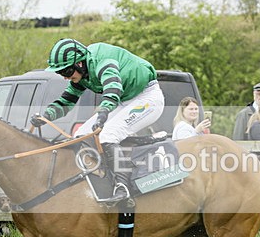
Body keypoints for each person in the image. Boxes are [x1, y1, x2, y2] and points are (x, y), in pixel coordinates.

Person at [32, 39, 164, 205]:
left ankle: (123, 187)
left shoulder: (102, 61)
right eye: (60, 73)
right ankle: (98, 178)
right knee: (80, 135)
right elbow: (68, 100)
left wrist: (103, 113)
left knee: (108, 134)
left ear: (79, 63)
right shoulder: (82, 74)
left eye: (66, 71)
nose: (65, 77)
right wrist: (45, 116)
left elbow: (113, 89)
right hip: (125, 99)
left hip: (147, 97)